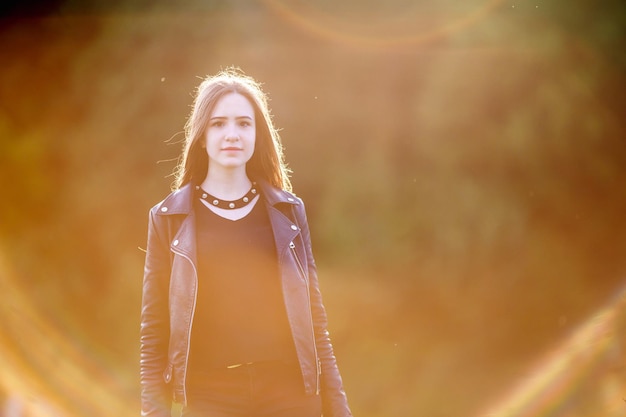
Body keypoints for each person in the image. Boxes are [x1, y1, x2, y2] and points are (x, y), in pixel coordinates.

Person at [140, 68, 352, 417]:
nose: (232, 134)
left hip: (291, 394)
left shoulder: (288, 212)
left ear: (258, 134)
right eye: (219, 124)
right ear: (202, 136)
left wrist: (339, 409)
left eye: (244, 123)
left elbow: (315, 323)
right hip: (210, 396)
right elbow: (154, 332)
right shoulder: (168, 218)